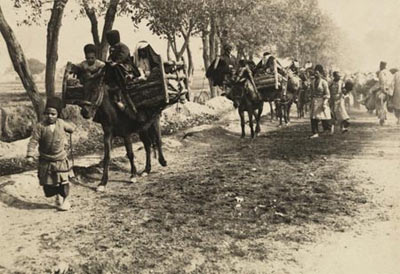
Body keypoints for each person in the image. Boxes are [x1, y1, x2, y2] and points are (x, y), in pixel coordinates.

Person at [26, 97, 75, 211]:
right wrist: (30, 155)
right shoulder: (40, 126)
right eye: (47, 113)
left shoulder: (61, 123)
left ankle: (66, 200)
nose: (50, 116)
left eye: (53, 114)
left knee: (63, 181)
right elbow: (33, 141)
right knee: (50, 183)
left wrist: (70, 131)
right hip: (46, 159)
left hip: (60, 158)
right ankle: (57, 197)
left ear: (58, 114)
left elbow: (71, 128)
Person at [105, 29, 140, 111]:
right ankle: (108, 82)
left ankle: (122, 83)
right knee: (107, 67)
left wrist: (116, 62)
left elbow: (123, 56)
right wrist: (109, 61)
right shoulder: (112, 48)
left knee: (117, 68)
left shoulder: (123, 46)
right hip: (115, 65)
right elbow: (110, 57)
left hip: (126, 66)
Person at [310, 64, 331, 138]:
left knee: (324, 116)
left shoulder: (324, 82)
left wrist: (325, 103)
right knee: (313, 117)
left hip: (322, 100)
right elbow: (311, 92)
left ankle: (327, 130)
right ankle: (315, 132)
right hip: (314, 101)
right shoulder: (312, 82)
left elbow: (328, 94)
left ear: (321, 73)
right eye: (315, 72)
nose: (315, 74)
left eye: (317, 73)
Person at [376, 61, 394, 125]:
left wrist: (383, 90)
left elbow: (383, 82)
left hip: (384, 91)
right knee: (385, 105)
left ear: (381, 66)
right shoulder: (389, 73)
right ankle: (384, 118)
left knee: (381, 104)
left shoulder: (381, 73)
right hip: (391, 91)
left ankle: (382, 119)